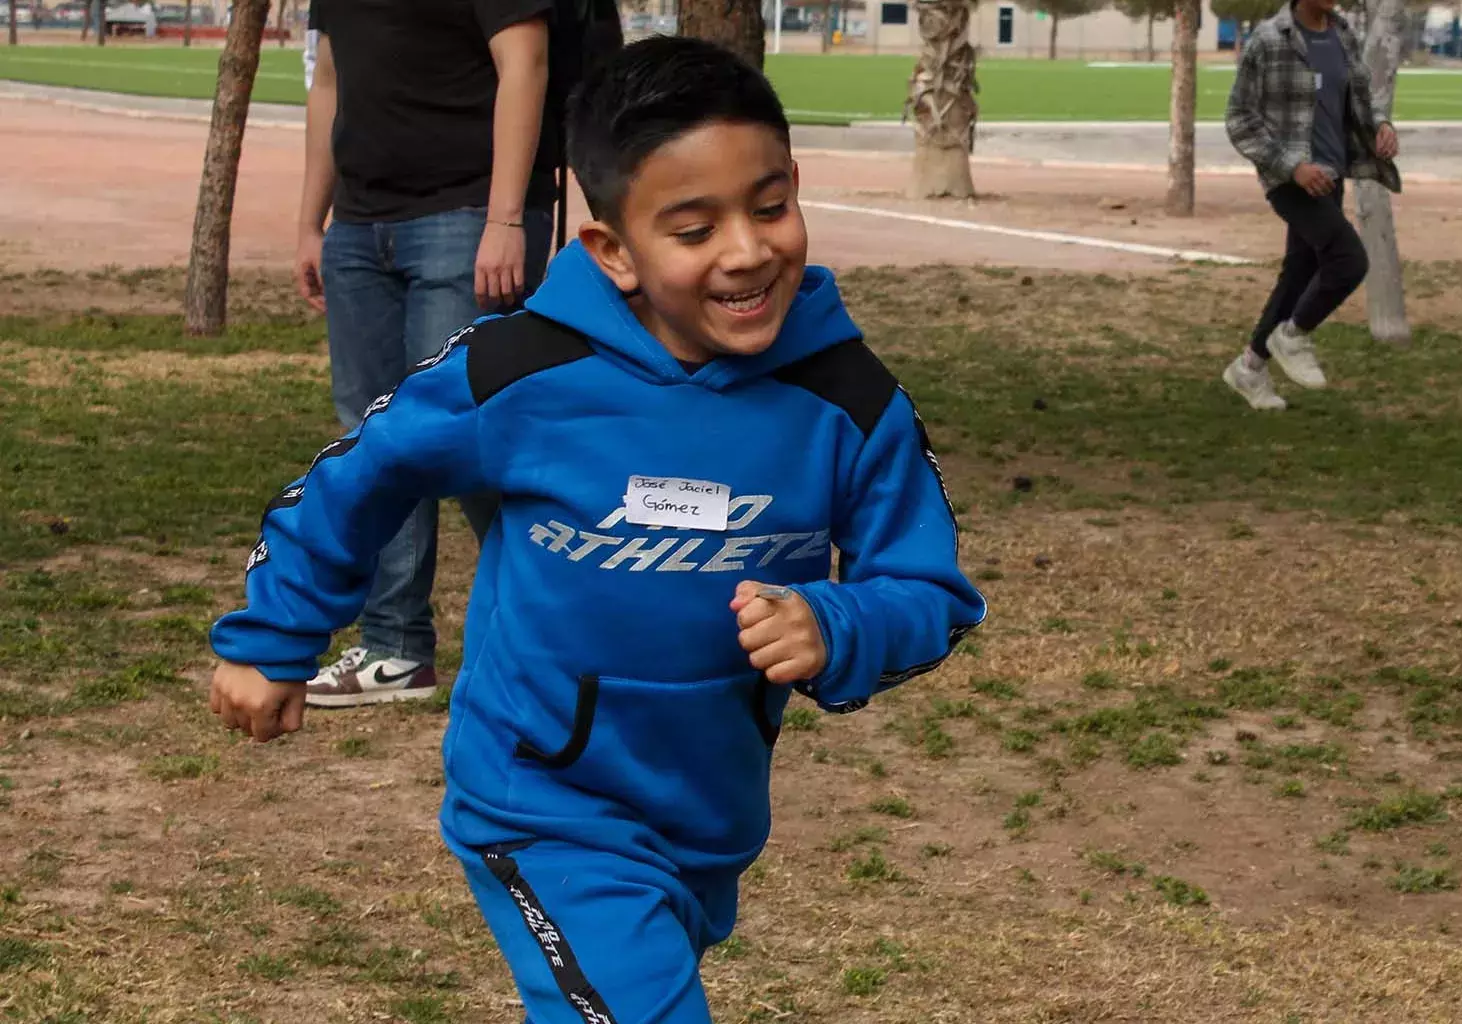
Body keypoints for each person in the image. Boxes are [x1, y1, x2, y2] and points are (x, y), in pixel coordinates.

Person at [206, 37, 988, 1022]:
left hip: (706, 815)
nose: (747, 250)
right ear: (612, 249)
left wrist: (840, 625)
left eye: (771, 205)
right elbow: (363, 470)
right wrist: (275, 634)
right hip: (540, 799)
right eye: (694, 228)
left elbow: (933, 594)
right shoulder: (521, 374)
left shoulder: (850, 401)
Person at [294, 0, 560, 707]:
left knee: (470, 430)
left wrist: (507, 218)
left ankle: (560, 621)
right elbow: (330, 84)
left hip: (467, 215)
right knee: (376, 436)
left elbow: (525, 63)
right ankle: (394, 647)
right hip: (357, 225)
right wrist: (310, 221)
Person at [1220, 0, 1402, 412]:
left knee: (1300, 273)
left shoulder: (1342, 34)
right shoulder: (1268, 41)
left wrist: (1381, 125)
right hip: (1291, 180)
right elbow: (1238, 119)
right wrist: (1293, 167)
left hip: (1331, 177)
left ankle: (1249, 368)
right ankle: (1293, 335)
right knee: (1349, 260)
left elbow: (1362, 96)